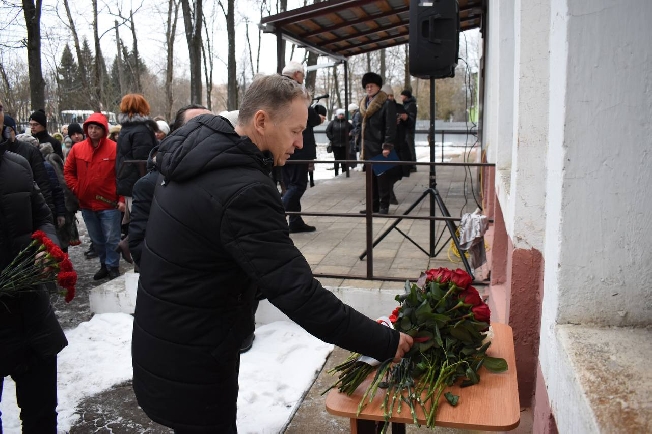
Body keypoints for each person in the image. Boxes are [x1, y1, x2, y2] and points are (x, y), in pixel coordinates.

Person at [131, 74, 413, 434]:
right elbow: (298, 294)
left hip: (168, 341)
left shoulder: (197, 158)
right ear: (261, 121)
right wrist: (384, 342)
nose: (300, 143)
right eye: (295, 130)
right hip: (195, 356)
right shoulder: (242, 188)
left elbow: (219, 259)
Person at [0, 104, 68, 433]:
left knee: (42, 417)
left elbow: (41, 215)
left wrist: (48, 246)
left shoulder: (16, 165)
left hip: (32, 315)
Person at [64, 113, 125, 280]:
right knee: (97, 240)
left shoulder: (114, 148)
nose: (93, 131)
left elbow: (122, 176)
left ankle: (113, 266)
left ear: (104, 130)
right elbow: (68, 172)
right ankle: (104, 265)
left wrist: (121, 200)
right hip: (86, 204)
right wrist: (77, 188)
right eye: (90, 128)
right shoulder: (77, 149)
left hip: (109, 203)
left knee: (112, 238)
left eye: (97, 128)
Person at [281, 61, 324, 233]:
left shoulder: (275, 89)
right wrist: (318, 118)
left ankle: (295, 220)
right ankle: (276, 215)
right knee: (297, 186)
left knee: (290, 184)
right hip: (298, 146)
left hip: (282, 145)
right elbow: (309, 118)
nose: (303, 78)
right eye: (303, 74)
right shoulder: (297, 90)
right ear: (297, 74)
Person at [357, 72, 396, 215]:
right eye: (366, 86)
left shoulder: (386, 104)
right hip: (367, 147)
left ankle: (384, 206)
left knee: (382, 179)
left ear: (378, 87)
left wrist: (387, 146)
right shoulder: (364, 103)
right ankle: (372, 206)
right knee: (370, 180)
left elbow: (390, 127)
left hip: (380, 146)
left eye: (371, 86)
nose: (369, 88)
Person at [4, 115, 56, 220]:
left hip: (30, 209)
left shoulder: (30, 151)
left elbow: (42, 182)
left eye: (9, 129)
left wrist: (49, 213)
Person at [116, 94, 158, 213]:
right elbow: (144, 161)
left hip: (128, 182)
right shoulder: (141, 130)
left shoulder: (126, 128)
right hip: (139, 185)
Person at [326, 108, 352, 175]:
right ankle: (336, 173)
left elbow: (352, 130)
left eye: (342, 114)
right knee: (337, 159)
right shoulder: (333, 123)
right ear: (337, 115)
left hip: (344, 145)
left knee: (344, 160)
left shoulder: (347, 123)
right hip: (335, 145)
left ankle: (344, 173)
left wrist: (349, 137)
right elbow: (328, 131)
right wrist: (332, 138)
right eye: (340, 114)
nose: (341, 116)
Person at [400, 89, 418, 172]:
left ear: (406, 96)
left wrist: (405, 117)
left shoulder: (411, 105)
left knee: (410, 147)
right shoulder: (406, 105)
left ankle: (412, 165)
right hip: (405, 129)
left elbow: (411, 118)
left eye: (402, 95)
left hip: (408, 130)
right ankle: (409, 164)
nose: (401, 97)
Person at [348, 103, 361, 168]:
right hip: (356, 135)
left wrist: (352, 132)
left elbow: (357, 126)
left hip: (356, 136)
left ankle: (355, 166)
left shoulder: (357, 115)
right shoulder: (357, 114)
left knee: (354, 151)